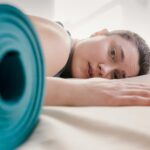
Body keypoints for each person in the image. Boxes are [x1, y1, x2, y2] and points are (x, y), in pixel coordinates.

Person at [29, 15, 150, 106]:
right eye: (112, 53)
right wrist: (80, 92)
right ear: (99, 33)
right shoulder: (60, 43)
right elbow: (12, 86)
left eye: (115, 76)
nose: (104, 69)